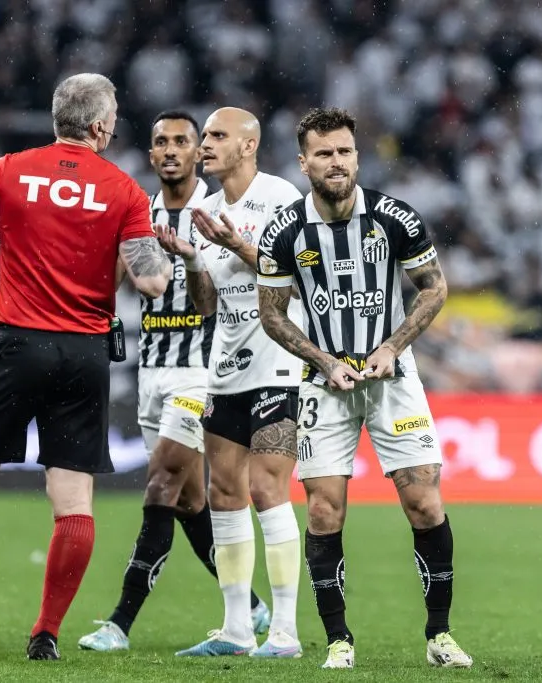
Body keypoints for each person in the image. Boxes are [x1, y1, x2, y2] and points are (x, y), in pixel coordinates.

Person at [0, 73, 172, 662]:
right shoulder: (125, 190)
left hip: (19, 343)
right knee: (72, 498)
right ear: (101, 126)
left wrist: (16, 252)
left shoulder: (6, 171)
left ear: (57, 118)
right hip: (85, 353)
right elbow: (153, 281)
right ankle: (45, 634)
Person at [255, 106, 474, 669]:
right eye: (324, 153)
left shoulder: (394, 217)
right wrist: (324, 359)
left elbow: (433, 288)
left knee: (424, 501)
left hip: (393, 379)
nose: (337, 162)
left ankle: (440, 637)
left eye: (345, 151)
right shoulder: (285, 231)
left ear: (357, 155)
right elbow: (272, 315)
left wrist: (390, 348)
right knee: (325, 512)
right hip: (324, 383)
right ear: (304, 162)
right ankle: (338, 641)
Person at [78, 110, 270, 653]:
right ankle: (250, 608)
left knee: (160, 480)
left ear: (197, 153)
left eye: (182, 142)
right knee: (186, 503)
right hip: (150, 370)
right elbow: (107, 285)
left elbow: (210, 307)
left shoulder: (214, 214)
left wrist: (190, 262)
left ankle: (119, 623)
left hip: (200, 370)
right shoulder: (137, 216)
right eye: (160, 141)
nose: (170, 151)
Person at [157, 107, 304, 658]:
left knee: (268, 489)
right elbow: (206, 307)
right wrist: (193, 259)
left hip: (280, 364)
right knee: (224, 492)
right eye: (207, 137)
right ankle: (237, 629)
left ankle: (284, 632)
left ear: (248, 145)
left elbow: (295, 280)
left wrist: (240, 247)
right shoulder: (204, 208)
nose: (205, 146)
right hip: (226, 369)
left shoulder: (281, 198)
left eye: (217, 136)